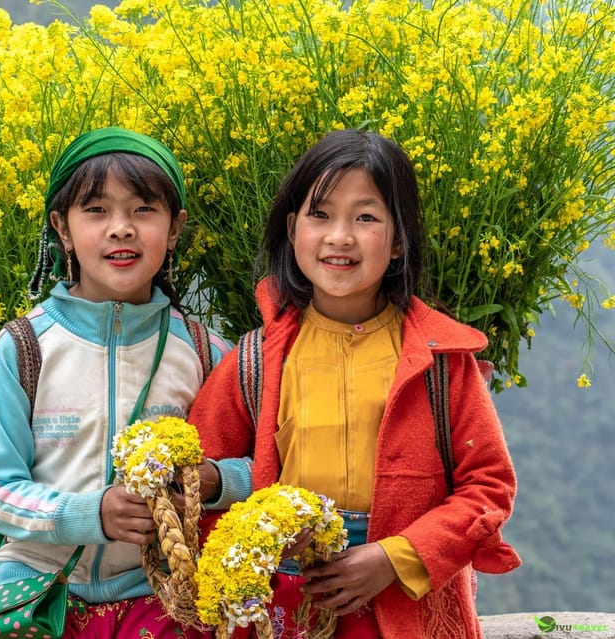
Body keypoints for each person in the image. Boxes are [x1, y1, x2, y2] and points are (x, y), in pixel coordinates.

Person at [190, 129, 521, 639]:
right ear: (292, 229)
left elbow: (488, 486)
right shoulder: (254, 361)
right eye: (320, 215)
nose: (339, 237)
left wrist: (393, 558)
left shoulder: (439, 361)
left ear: (397, 242)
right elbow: (199, 484)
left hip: (405, 601)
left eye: (365, 217)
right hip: (285, 609)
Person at [0, 127, 235, 638]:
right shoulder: (24, 347)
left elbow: (258, 467)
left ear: (174, 228)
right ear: (62, 229)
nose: (121, 229)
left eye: (143, 210)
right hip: (35, 592)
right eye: (96, 210)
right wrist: (89, 513)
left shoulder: (206, 353)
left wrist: (215, 481)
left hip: (158, 596)